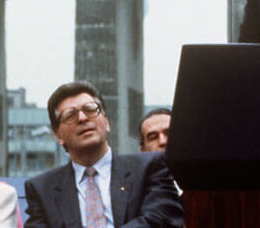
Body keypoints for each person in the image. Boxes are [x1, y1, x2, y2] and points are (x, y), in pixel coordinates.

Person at [24, 81, 183, 228]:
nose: (83, 118)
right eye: (70, 115)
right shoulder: (41, 190)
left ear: (106, 122)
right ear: (58, 135)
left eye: (90, 109)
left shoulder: (149, 167)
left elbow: (163, 219)